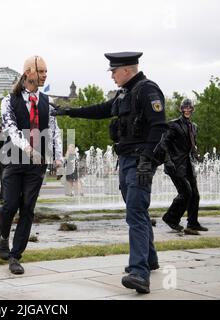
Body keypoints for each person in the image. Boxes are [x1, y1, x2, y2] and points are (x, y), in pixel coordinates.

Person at [52, 52, 166, 294]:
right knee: (137, 210)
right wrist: (69, 111)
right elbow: (102, 109)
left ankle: (139, 272)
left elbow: (159, 127)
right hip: (125, 160)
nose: (112, 76)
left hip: (139, 161)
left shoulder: (147, 90)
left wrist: (148, 160)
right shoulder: (124, 93)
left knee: (134, 212)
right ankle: (150, 259)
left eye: (114, 71)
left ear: (126, 70)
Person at [0, 55, 63, 275]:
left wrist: (58, 158)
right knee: (9, 205)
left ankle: (16, 256)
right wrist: (29, 150)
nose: (45, 75)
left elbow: (54, 131)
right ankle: (3, 237)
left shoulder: (47, 100)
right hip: (15, 160)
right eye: (42, 71)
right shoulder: (8, 101)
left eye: (46, 71)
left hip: (38, 164)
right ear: (29, 72)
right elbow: (11, 129)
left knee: (27, 208)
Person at [162, 99, 208, 234]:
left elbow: (191, 145)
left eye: (190, 108)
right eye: (185, 107)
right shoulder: (173, 125)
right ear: (181, 109)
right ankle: (171, 218)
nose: (187, 110)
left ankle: (192, 223)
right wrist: (167, 161)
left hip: (187, 164)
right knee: (185, 192)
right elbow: (164, 144)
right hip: (174, 165)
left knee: (195, 194)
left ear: (193, 109)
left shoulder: (194, 126)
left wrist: (196, 154)